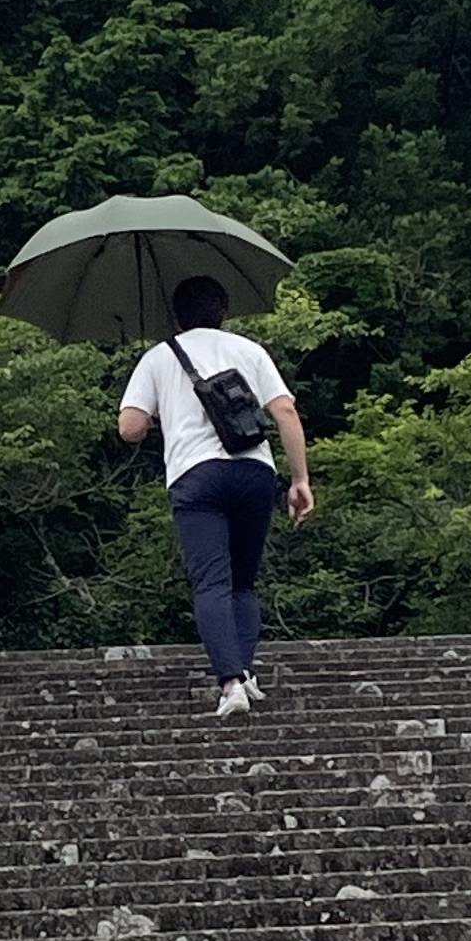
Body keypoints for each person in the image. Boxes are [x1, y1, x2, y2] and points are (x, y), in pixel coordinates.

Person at [117, 277, 314, 719]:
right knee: (244, 582)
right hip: (254, 471)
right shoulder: (249, 350)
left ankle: (230, 684)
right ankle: (246, 673)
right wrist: (299, 479)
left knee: (212, 582)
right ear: (223, 310)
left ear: (177, 315)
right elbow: (284, 411)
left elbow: (128, 428)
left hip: (196, 476)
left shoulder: (159, 356)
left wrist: (158, 414)